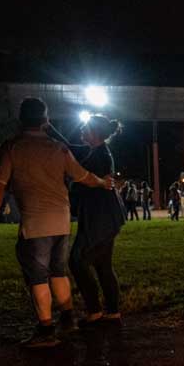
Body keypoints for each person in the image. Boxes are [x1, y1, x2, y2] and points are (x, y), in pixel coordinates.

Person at [0, 98, 114, 347]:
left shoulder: (11, 147)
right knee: (58, 271)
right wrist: (101, 182)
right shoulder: (59, 148)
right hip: (61, 222)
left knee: (37, 276)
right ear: (45, 121)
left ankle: (45, 330)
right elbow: (82, 175)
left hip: (35, 224)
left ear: (21, 120)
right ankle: (68, 318)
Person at [56, 114, 127, 328]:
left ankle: (95, 310)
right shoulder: (95, 151)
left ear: (95, 134)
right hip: (106, 216)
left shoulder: (99, 156)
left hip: (100, 218)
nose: (82, 130)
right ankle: (112, 312)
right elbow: (70, 148)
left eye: (86, 128)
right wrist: (49, 127)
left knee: (77, 261)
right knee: (103, 264)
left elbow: (80, 178)